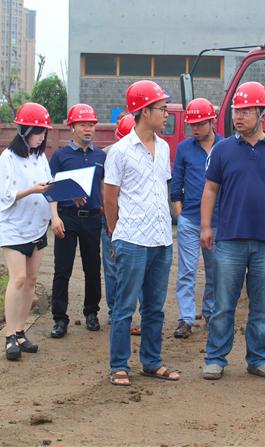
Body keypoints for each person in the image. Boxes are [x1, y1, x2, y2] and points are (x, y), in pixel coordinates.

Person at [200, 82, 265, 380]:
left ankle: (258, 358)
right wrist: (206, 226)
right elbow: (210, 190)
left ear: (263, 113)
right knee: (223, 304)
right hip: (229, 239)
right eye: (235, 111)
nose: (238, 117)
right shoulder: (222, 150)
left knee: (262, 307)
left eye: (245, 111)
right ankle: (216, 358)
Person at [104, 80, 179, 386]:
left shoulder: (163, 148)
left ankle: (151, 362)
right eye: (162, 109)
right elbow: (110, 198)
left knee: (154, 308)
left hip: (162, 240)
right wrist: (115, 234)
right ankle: (119, 365)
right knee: (124, 307)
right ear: (144, 111)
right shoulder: (119, 151)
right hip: (132, 240)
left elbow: (163, 189)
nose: (166, 114)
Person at [0, 102, 54, 361]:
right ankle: (9, 336)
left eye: (44, 132)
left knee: (31, 280)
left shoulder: (40, 157)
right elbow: (5, 196)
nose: (42, 136)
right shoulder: (8, 158)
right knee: (17, 279)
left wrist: (56, 213)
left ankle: (21, 331)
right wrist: (32, 189)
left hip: (38, 225)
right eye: (38, 131)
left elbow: (50, 187)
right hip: (14, 228)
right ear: (24, 130)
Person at [48, 104, 106, 338]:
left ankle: (91, 313)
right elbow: (50, 188)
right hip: (67, 219)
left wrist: (108, 218)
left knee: (93, 269)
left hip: (92, 219)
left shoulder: (100, 156)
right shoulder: (60, 156)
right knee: (63, 270)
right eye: (83, 124)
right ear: (72, 127)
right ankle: (60, 319)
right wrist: (54, 217)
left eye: (91, 124)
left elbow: (103, 188)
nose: (88, 128)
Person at [170, 98, 222, 338]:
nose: (195, 128)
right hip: (190, 220)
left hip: (218, 221)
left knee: (216, 271)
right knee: (187, 272)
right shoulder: (184, 148)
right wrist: (181, 216)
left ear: (212, 121)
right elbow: (176, 185)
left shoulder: (226, 147)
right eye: (192, 125)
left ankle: (211, 313)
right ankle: (186, 319)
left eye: (200, 124)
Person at [100, 113, 137, 325]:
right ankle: (115, 311)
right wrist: (109, 221)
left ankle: (135, 312)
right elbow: (104, 191)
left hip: (136, 222)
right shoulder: (107, 155)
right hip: (112, 223)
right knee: (113, 268)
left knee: (138, 271)